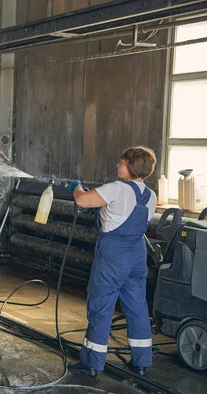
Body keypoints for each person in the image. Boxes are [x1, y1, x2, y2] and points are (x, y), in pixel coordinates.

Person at [65, 146, 158, 377]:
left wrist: (76, 187)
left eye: (122, 162)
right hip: (136, 254)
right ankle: (141, 362)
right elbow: (121, 213)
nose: (118, 165)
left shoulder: (116, 188)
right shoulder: (151, 194)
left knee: (101, 305)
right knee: (137, 306)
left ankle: (92, 363)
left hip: (114, 252)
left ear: (131, 166)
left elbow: (83, 201)